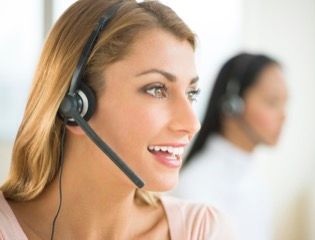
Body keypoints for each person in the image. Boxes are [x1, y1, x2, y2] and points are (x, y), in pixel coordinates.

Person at [0, 1, 236, 239]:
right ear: (75, 106)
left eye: (191, 94)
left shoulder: (202, 230)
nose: (192, 124)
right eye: (156, 89)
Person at [173, 53, 288, 240]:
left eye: (285, 103)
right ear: (232, 104)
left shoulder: (256, 182)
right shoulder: (195, 187)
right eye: (272, 102)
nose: (283, 115)